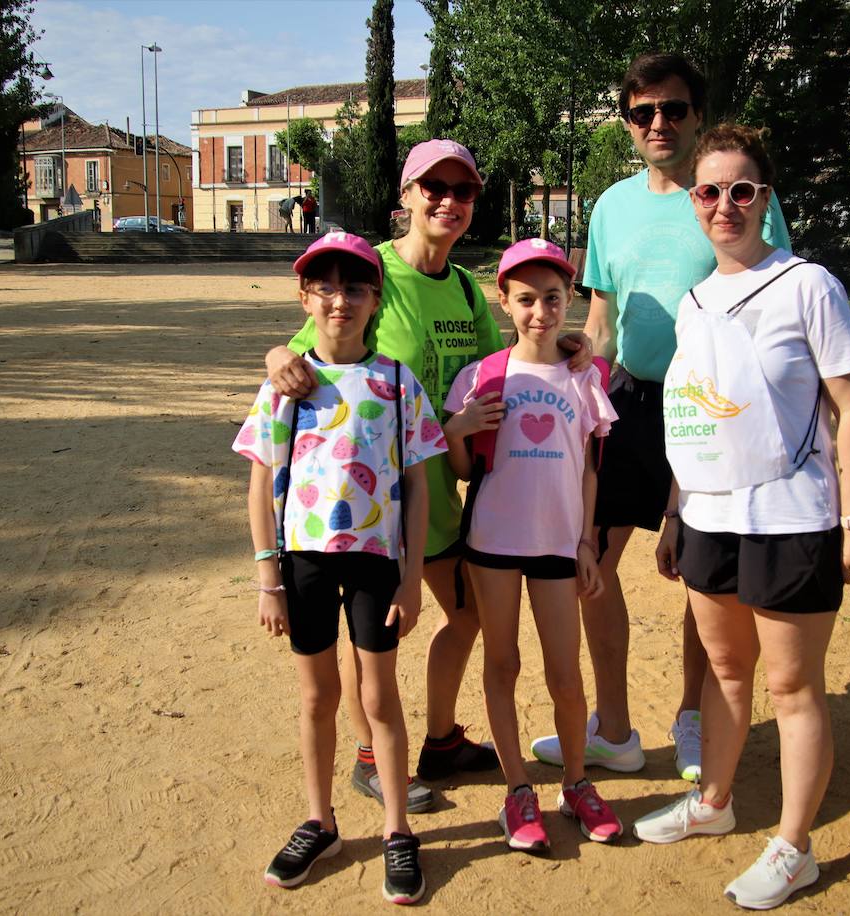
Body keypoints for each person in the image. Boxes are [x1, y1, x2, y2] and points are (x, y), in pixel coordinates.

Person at [265, 140, 592, 811]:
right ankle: (367, 753)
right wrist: (276, 355)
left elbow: (501, 365)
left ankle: (440, 738)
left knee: (466, 616)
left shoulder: (469, 291)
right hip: (366, 502)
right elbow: (306, 350)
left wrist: (560, 343)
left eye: (463, 190)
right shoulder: (370, 272)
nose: (449, 200)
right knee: (368, 630)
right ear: (407, 196)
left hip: (435, 488)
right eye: (433, 187)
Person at [628, 124, 850, 911]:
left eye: (742, 189)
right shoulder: (694, 301)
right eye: (710, 191)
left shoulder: (808, 284)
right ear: (694, 202)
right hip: (708, 516)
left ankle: (794, 846)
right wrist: (673, 513)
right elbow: (691, 415)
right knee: (726, 673)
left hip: (793, 515)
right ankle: (716, 801)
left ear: (767, 198)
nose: (725, 204)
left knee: (792, 686)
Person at [531, 52, 789, 784]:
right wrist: (580, 381)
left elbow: (771, 293)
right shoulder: (612, 206)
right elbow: (604, 317)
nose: (659, 123)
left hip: (713, 413)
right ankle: (613, 727)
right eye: (644, 112)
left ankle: (693, 716)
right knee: (591, 564)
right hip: (631, 405)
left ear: (697, 115)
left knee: (702, 577)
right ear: (627, 122)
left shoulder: (731, 194)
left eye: (674, 109)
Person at [235, 231, 441, 905]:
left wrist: (412, 577)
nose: (340, 301)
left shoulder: (396, 381)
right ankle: (320, 820)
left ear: (374, 299)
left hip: (377, 561)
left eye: (354, 288)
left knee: (379, 697)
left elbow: (416, 485)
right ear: (305, 298)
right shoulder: (287, 383)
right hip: (304, 562)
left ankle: (395, 829)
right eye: (325, 287)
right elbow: (261, 482)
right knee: (318, 696)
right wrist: (269, 577)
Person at [442, 239, 623, 853]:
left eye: (552, 298)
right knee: (503, 663)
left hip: (557, 545)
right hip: (492, 540)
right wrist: (457, 431)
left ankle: (576, 782)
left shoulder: (586, 374)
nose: (540, 312)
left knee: (565, 674)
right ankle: (518, 788)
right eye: (526, 299)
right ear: (504, 301)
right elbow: (466, 469)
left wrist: (587, 542)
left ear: (570, 299)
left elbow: (590, 468)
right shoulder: (483, 374)